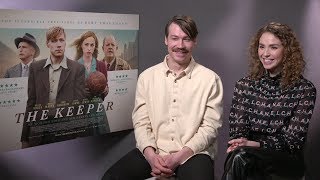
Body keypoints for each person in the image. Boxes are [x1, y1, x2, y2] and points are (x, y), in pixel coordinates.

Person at [102, 15, 223, 180]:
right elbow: (141, 123)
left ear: (195, 41)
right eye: (175, 38)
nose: (180, 45)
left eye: (186, 39)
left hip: (193, 153)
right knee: (110, 178)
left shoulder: (210, 79)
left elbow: (210, 128)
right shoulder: (147, 77)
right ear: (166, 40)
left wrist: (178, 158)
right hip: (155, 151)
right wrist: (152, 158)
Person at [222, 22, 317, 180]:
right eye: (261, 46)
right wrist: (243, 143)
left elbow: (292, 142)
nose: (265, 53)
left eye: (273, 47)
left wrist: (253, 144)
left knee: (241, 157)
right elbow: (237, 133)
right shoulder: (244, 85)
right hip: (247, 154)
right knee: (240, 156)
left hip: (285, 160)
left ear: (287, 51)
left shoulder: (304, 89)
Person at [21, 26, 86, 148]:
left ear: (65, 42)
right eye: (54, 41)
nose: (59, 44)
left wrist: (79, 136)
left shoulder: (77, 69)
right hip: (39, 133)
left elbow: (80, 105)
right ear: (47, 44)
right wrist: (25, 137)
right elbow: (31, 103)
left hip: (66, 133)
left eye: (61, 40)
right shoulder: (35, 68)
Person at [71, 31, 108, 99]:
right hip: (80, 107)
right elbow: (70, 90)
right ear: (81, 45)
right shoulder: (74, 66)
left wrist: (105, 90)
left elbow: (105, 86)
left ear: (95, 47)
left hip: (97, 106)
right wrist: (80, 91)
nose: (89, 48)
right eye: (86, 44)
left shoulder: (102, 65)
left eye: (92, 45)